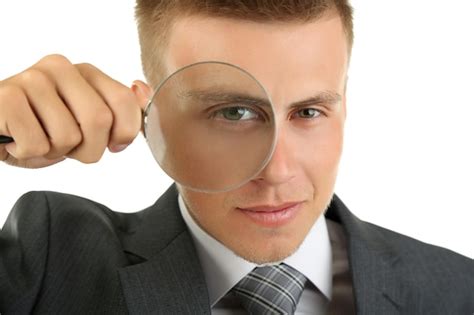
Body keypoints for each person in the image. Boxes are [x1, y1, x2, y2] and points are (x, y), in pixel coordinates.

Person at [0, 0, 473, 314]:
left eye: (309, 111)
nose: (277, 171)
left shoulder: (455, 290)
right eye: (234, 112)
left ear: (344, 106)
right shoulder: (51, 260)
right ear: (152, 113)